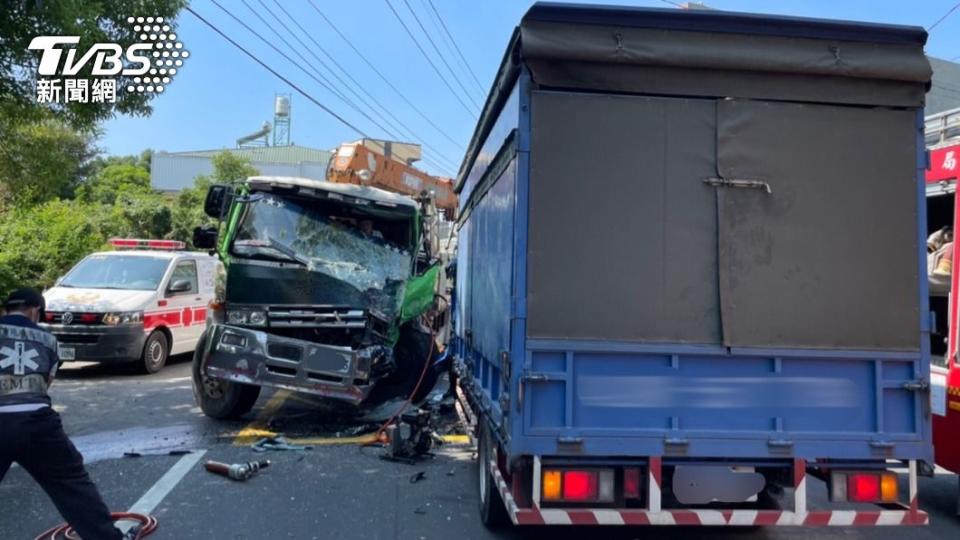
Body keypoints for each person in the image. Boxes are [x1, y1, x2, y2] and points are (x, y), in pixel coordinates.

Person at [0, 288, 123, 540]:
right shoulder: (47, 339)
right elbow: (46, 384)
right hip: (38, 424)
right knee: (72, 483)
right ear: (35, 311)